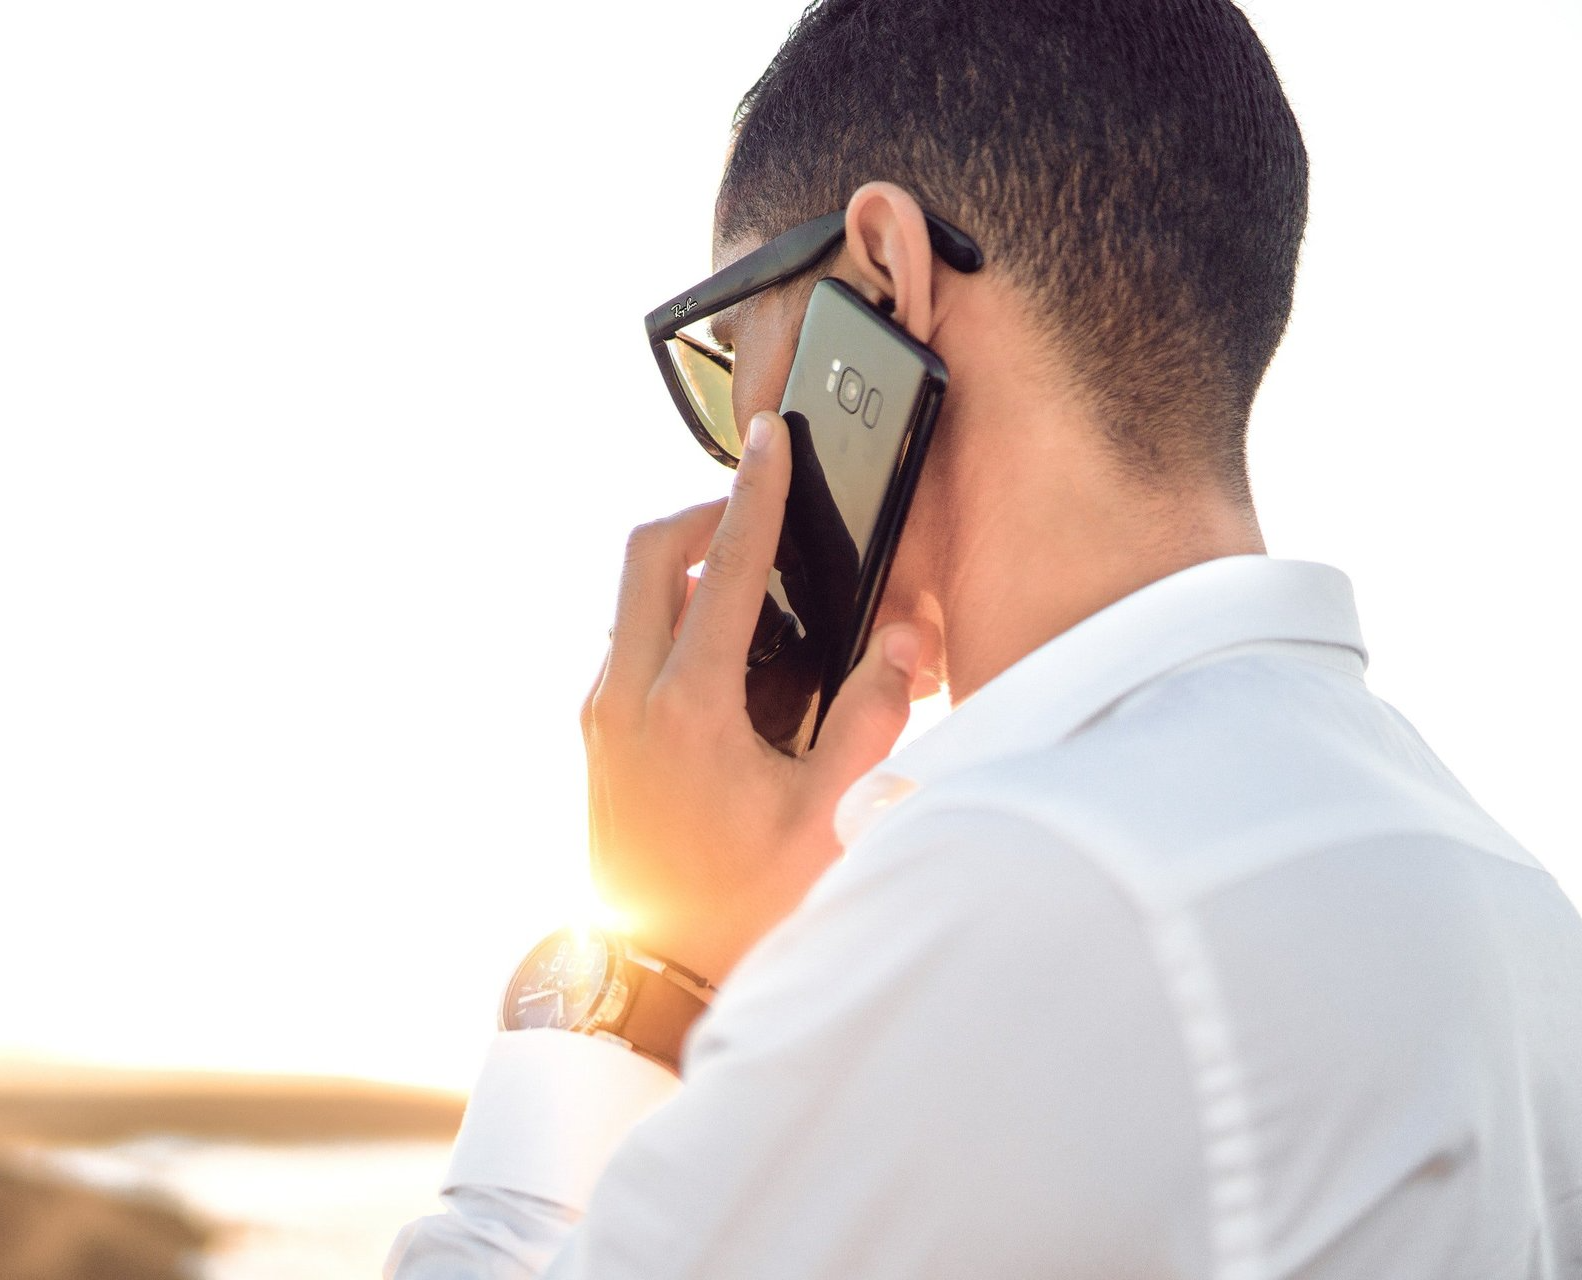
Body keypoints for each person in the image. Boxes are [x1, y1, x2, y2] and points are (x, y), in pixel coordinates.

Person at [387, 1, 1582, 1276]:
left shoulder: (1017, 895)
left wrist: (636, 983)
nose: (741, 441)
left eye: (733, 347)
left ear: (883, 284)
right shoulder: (1517, 908)